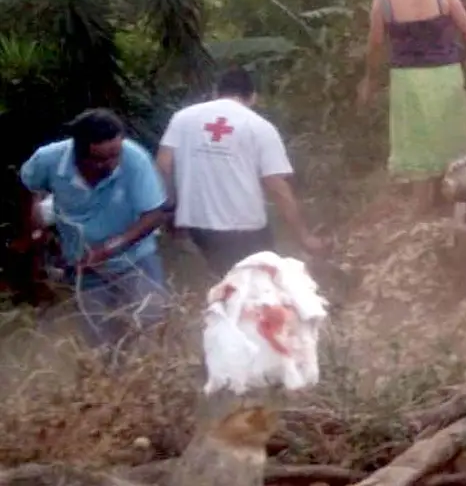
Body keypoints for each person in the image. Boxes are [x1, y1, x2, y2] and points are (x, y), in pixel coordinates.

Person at [17, 109, 169, 349]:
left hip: (136, 261)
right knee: (99, 341)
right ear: (79, 153)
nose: (111, 165)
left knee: (150, 326)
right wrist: (34, 229)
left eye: (115, 156)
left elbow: (154, 214)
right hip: (83, 267)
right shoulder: (47, 160)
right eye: (100, 160)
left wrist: (109, 248)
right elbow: (28, 186)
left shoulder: (135, 159)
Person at [358, 0, 466, 200]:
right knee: (450, 131)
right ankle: (457, 188)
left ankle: (424, 196)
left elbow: (375, 44)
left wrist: (369, 80)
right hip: (445, 75)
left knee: (418, 138)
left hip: (408, 80)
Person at [157, 67, 322, 276]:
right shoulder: (259, 126)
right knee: (261, 287)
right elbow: (277, 187)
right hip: (244, 228)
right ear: (252, 97)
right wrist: (303, 235)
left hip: (196, 225)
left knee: (221, 282)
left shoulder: (182, 118)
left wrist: (170, 212)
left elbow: (164, 165)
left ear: (216, 92)